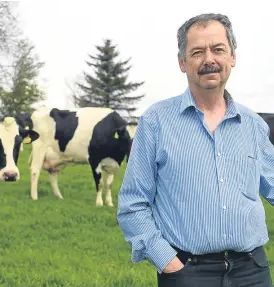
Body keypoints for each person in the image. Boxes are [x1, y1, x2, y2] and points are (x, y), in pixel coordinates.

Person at [116, 13, 274, 287]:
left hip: (252, 271)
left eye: (218, 49)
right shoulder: (156, 122)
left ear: (232, 57)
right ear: (182, 62)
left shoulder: (254, 126)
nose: (209, 59)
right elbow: (133, 204)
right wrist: (167, 260)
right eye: (197, 52)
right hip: (187, 273)